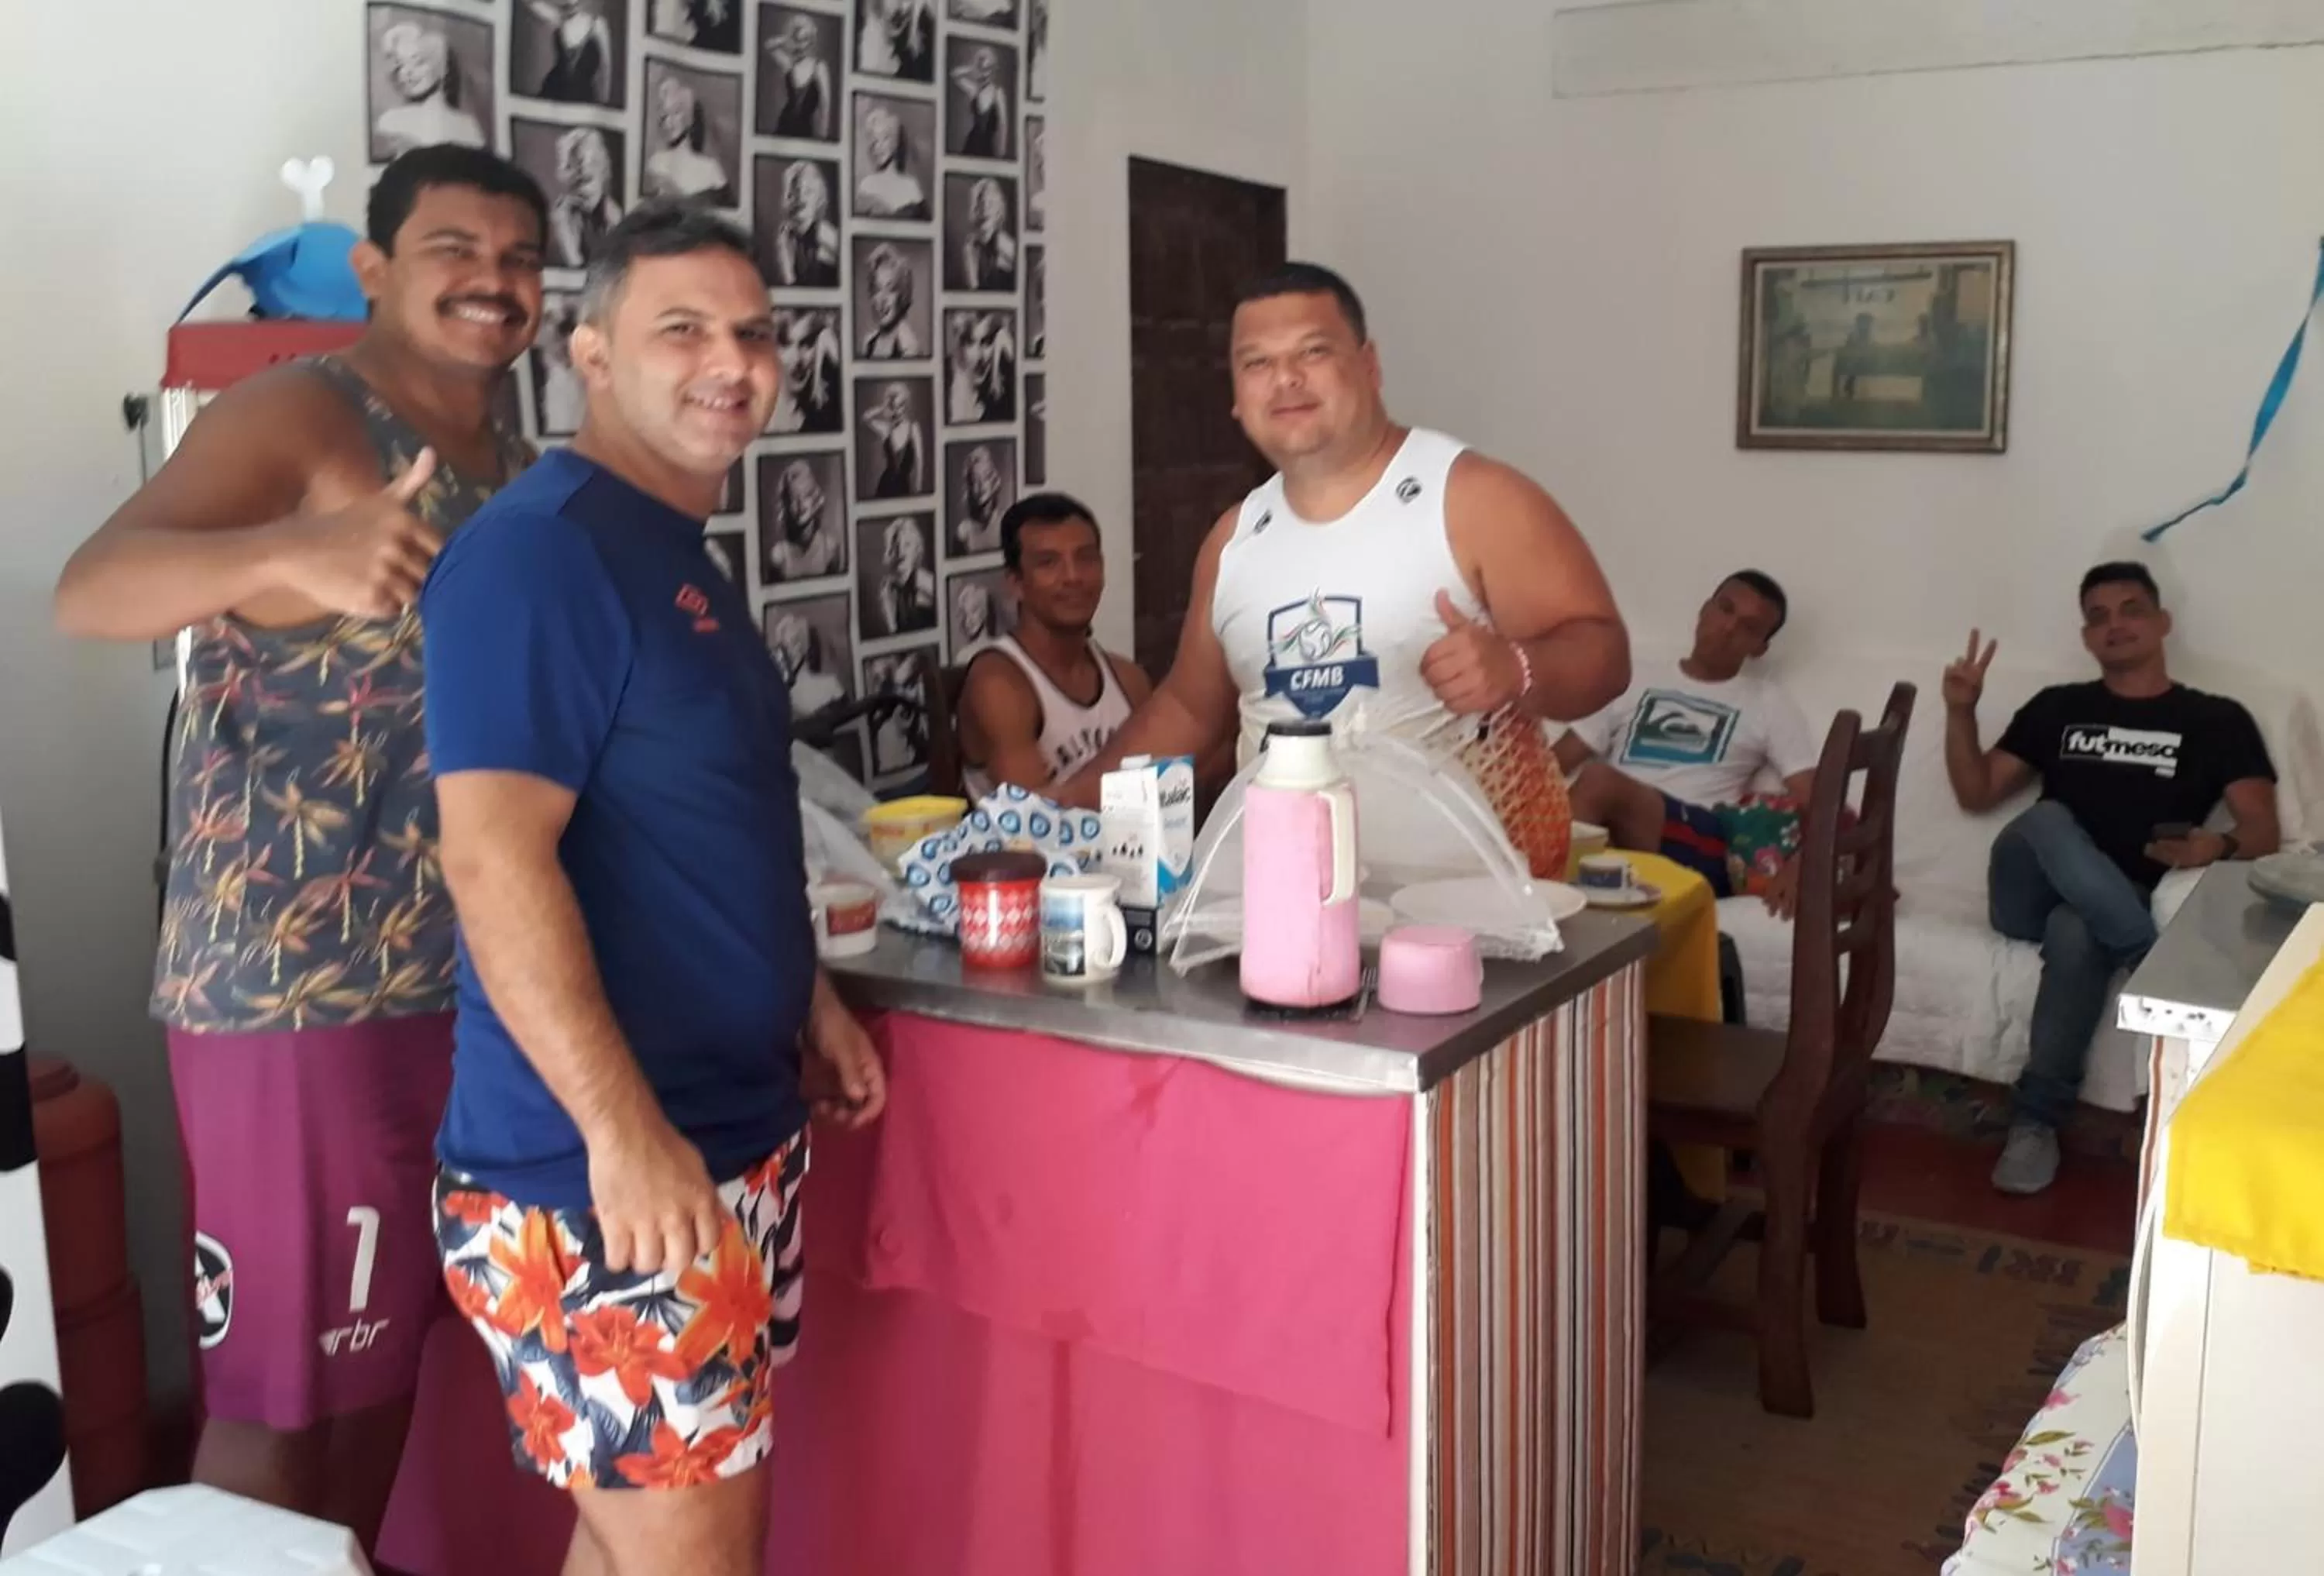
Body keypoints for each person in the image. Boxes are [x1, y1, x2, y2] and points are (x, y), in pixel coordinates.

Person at [52, 145, 546, 1557]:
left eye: (519, 257)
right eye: (455, 249)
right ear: (374, 269)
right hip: (293, 988)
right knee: (276, 1397)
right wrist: (288, 553)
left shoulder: (514, 465)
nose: (494, 280)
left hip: (450, 976)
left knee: (374, 1369)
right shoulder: (302, 412)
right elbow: (91, 588)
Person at [421, 202, 885, 1571]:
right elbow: (492, 855)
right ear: (592, 355)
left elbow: (697, 821)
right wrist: (620, 1133)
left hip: (713, 1143)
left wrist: (806, 996)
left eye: (754, 332)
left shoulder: (668, 549)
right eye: (681, 329)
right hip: (601, 1173)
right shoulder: (543, 550)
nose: (730, 362)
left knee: (637, 1543)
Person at [1054, 263, 1628, 816]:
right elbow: (1188, 711)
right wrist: (1060, 806)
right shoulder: (1233, 540)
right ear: (1235, 395)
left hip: (1454, 877)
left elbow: (1605, 655)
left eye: (1313, 352)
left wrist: (1517, 667)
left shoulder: (1471, 499)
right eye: (1257, 363)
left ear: (1369, 365)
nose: (1286, 379)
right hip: (1278, 871)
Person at [1945, 563, 2279, 1196]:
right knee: (2046, 818)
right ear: (2086, 637)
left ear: (2162, 622)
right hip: (2025, 891)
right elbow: (1975, 792)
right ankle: (2148, 962)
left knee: (2078, 928)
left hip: (2115, 902)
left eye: (2131, 610)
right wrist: (1961, 712)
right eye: (2098, 617)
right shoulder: (2058, 707)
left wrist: (2218, 844)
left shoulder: (2217, 720)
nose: (2115, 625)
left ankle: (2036, 1122)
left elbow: (2263, 830)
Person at [1556, 571, 1820, 910]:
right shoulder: (1633, 677)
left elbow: (1815, 798)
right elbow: (1556, 762)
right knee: (1577, 798)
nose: (1728, 628)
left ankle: (1550, 905)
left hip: (1702, 839)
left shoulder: (1769, 703)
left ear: (1759, 648)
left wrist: (1803, 864)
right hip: (1615, 826)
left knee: (1597, 781)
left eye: (1748, 627)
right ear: (1705, 609)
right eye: (1725, 609)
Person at [961, 494, 1149, 797]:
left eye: (1086, 558)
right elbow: (1033, 812)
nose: (1073, 577)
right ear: (1015, 583)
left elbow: (1169, 787)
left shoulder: (1130, 680)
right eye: (1048, 563)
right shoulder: (998, 684)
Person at [376, 23, 486, 154]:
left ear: (443, 67)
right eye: (401, 64)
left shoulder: (468, 127)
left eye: (419, 62)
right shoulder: (390, 122)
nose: (407, 72)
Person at [643, 74, 734, 205]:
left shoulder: (711, 169)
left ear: (689, 116)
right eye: (665, 115)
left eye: (676, 113)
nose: (669, 122)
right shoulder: (656, 163)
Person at [550, 126, 624, 268]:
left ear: (603, 173)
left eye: (588, 179)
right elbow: (574, 271)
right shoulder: (562, 217)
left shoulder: (615, 216)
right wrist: (565, 235)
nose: (582, 190)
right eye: (575, 183)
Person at [765, 459, 841, 581]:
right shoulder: (779, 556)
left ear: (815, 499)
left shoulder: (830, 548)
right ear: (786, 506)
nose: (800, 506)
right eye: (793, 499)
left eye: (806, 496)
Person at [768, 160, 839, 287]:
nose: (801, 199)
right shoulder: (787, 236)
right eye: (795, 192)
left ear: (819, 198)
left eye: (808, 192)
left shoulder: (825, 234)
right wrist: (787, 271)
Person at [768, 311, 841, 434]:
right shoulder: (761, 423)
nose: (797, 359)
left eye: (807, 344)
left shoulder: (823, 419)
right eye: (786, 344)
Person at [528, 0, 614, 103]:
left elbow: (606, 66)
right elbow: (532, 4)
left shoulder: (597, 24)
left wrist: (604, 101)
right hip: (554, 93)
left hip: (583, 97)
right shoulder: (559, 19)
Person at [765, 15, 834, 140]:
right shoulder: (790, 64)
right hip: (783, 128)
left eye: (805, 39)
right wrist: (788, 38)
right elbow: (769, 46)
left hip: (805, 130)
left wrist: (823, 136)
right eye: (799, 40)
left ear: (812, 41)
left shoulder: (819, 67)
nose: (802, 45)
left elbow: (826, 105)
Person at [854, 104, 928, 219]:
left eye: (885, 139)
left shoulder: (911, 186)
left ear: (895, 140)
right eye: (875, 141)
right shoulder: (867, 185)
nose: (878, 147)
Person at [770, 610, 846, 716]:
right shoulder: (832, 686)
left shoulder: (776, 696)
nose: (780, 654)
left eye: (784, 647)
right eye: (781, 647)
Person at [947, 311, 1015, 424]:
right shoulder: (945, 387)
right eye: (970, 343)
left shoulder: (1004, 399)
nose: (979, 356)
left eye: (987, 342)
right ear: (960, 345)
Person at [872, 516, 937, 635]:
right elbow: (895, 634)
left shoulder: (926, 581)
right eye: (896, 546)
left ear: (916, 550)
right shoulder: (889, 588)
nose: (901, 553)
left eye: (907, 545)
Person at [864, 381, 926, 497]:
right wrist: (883, 407)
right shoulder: (887, 429)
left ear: (906, 405)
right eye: (895, 406)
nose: (898, 410)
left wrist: (919, 488)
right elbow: (866, 418)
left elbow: (920, 461)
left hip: (904, 487)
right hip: (884, 487)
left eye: (901, 405)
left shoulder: (913, 428)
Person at [861, 243, 923, 356]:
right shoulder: (869, 343)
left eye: (890, 290)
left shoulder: (908, 347)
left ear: (902, 295)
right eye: (877, 290)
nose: (882, 300)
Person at [957, 177, 1016, 290]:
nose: (985, 210)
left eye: (991, 204)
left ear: (998, 210)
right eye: (981, 204)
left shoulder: (1007, 244)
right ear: (975, 209)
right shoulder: (970, 246)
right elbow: (973, 289)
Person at [951, 46, 1009, 159]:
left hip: (988, 149)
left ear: (993, 70)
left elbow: (1003, 125)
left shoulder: (998, 93)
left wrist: (1002, 151)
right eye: (982, 69)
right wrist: (973, 68)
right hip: (970, 146)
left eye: (988, 69)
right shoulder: (974, 90)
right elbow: (955, 75)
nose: (985, 74)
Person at [951, 442, 1007, 552]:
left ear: (994, 480)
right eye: (975, 481)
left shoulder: (1007, 523)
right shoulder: (963, 533)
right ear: (969, 487)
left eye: (986, 477)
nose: (981, 486)